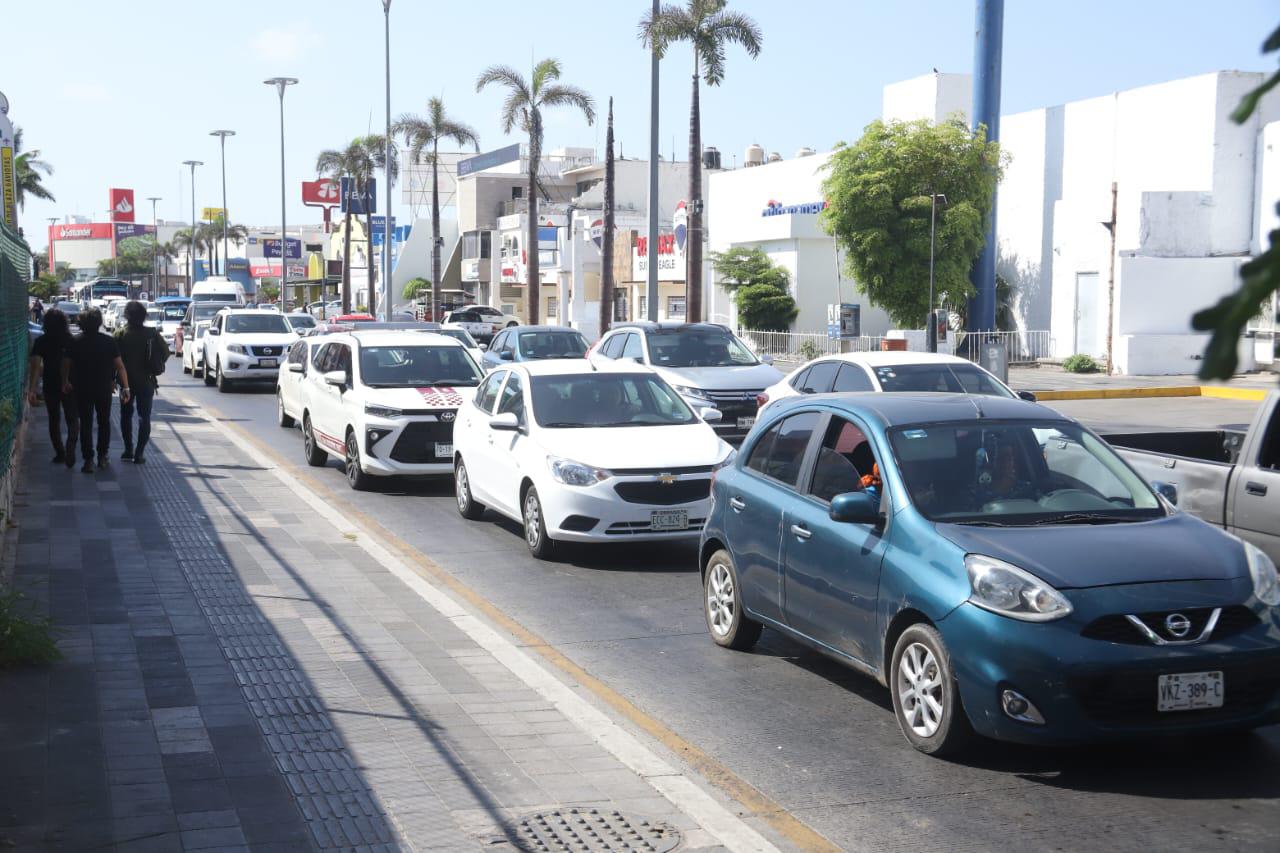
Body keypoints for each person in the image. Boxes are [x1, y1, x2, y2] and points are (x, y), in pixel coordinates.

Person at [62, 307, 131, 474]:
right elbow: (120, 366)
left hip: (82, 388)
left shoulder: (75, 341)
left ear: (82, 323)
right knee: (104, 422)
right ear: (99, 322)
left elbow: (65, 364)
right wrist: (126, 387)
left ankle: (88, 460)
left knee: (86, 423)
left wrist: (65, 381)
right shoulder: (108, 341)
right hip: (104, 388)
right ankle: (102, 456)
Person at [114, 300, 167, 464]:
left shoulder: (120, 334)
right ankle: (139, 452)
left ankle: (128, 449)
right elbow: (165, 353)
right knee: (144, 417)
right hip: (146, 381)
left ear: (126, 316)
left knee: (125, 415)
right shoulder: (152, 334)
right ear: (144, 316)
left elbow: (112, 359)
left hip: (125, 383)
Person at [26, 308, 79, 467]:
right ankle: (71, 446)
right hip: (70, 384)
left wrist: (32, 389)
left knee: (53, 419)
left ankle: (60, 453)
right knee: (72, 418)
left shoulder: (41, 341)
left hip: (50, 384)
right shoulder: (71, 340)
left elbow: (35, 367)